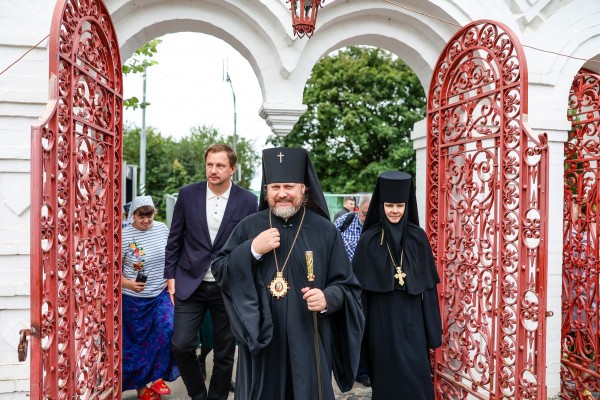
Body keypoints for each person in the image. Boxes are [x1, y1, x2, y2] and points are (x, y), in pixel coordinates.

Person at [211, 147, 365, 400]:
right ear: (267, 191)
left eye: (289, 186)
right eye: (275, 187)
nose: (282, 194)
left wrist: (328, 298)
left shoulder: (325, 231)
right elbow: (220, 269)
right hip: (262, 337)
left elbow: (348, 286)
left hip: (309, 335)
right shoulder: (250, 226)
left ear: (303, 188)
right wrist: (251, 250)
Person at [165, 144, 258, 400]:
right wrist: (169, 276)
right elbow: (175, 238)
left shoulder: (248, 200)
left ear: (232, 169)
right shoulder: (187, 194)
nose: (213, 170)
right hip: (189, 282)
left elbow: (251, 243)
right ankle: (198, 395)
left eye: (219, 165)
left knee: (225, 352)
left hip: (227, 286)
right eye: (209, 165)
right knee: (181, 346)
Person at [352, 171, 442, 400]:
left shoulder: (418, 238)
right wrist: (360, 333)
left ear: (406, 206)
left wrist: (432, 332)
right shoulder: (369, 240)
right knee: (386, 381)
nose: (394, 211)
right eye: (390, 205)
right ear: (381, 205)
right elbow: (360, 293)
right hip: (380, 326)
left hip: (413, 325)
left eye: (399, 205)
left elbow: (429, 289)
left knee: (417, 380)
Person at [121, 195, 179, 400]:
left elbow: (173, 253)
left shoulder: (162, 229)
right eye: (141, 216)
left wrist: (171, 274)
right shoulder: (125, 236)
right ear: (132, 216)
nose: (146, 220)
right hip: (133, 301)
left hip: (159, 294)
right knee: (137, 345)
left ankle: (158, 377)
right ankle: (141, 388)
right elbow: (110, 269)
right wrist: (127, 283)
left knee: (168, 329)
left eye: (149, 215)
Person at [332, 194, 371, 387]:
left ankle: (363, 370)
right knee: (348, 327)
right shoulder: (345, 221)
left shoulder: (376, 226)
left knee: (365, 328)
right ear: (358, 209)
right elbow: (328, 239)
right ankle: (347, 367)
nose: (366, 217)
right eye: (364, 213)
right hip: (345, 284)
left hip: (368, 286)